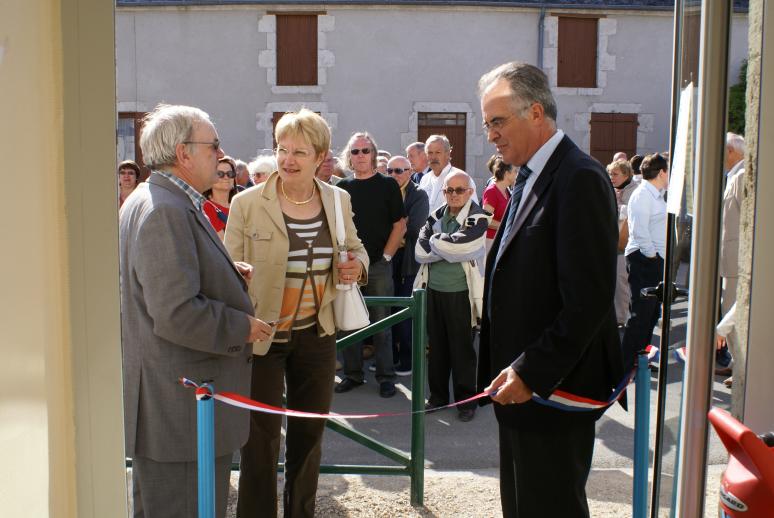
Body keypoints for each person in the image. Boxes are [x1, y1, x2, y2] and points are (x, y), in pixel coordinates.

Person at [477, 62, 625, 517]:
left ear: (535, 112)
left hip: (550, 391)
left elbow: (588, 300)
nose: (491, 136)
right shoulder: (529, 173)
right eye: (487, 125)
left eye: (497, 122)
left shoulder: (578, 176)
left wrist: (530, 372)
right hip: (521, 389)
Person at [119, 104, 273, 518]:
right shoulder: (164, 210)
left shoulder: (163, 200)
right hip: (182, 414)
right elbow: (176, 312)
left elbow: (168, 280)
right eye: (213, 146)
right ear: (183, 153)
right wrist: (242, 326)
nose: (221, 156)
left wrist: (224, 271)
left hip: (178, 408)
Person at [225, 109, 368, 518]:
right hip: (262, 336)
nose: (287, 159)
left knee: (309, 435)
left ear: (320, 155)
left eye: (299, 152)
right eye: (281, 149)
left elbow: (357, 249)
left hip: (317, 336)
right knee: (260, 440)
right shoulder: (247, 203)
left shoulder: (338, 199)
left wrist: (355, 265)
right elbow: (226, 265)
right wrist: (236, 271)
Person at [335, 132, 407, 398]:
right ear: (349, 156)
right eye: (355, 151)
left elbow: (399, 224)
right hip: (349, 265)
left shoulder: (388, 185)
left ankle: (386, 377)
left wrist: (387, 257)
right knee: (348, 322)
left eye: (365, 151)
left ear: (374, 155)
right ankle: (353, 374)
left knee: (381, 324)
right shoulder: (342, 187)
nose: (361, 156)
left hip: (378, 265)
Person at [416, 171, 488, 422]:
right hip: (433, 290)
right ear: (443, 192)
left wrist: (437, 243)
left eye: (460, 190)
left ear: (470, 192)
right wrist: (444, 246)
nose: (454, 195)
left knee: (462, 350)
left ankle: (466, 401)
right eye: (449, 190)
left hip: (462, 293)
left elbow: (465, 247)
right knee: (436, 349)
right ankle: (437, 397)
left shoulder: (478, 216)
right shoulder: (435, 215)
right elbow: (419, 251)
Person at [619, 153, 669, 370]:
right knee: (641, 313)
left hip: (653, 260)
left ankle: (641, 358)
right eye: (669, 172)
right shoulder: (642, 195)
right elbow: (639, 232)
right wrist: (653, 256)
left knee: (651, 314)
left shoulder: (657, 195)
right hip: (644, 259)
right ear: (662, 173)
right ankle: (626, 362)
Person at [386, 155, 429, 375]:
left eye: (399, 170)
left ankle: (408, 360)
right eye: (390, 170)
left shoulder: (419, 194)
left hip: (408, 260)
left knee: (405, 312)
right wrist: (398, 226)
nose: (394, 175)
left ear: (410, 172)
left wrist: (394, 227)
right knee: (387, 310)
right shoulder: (385, 191)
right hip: (388, 258)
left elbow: (416, 228)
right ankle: (391, 358)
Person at [717, 132, 746, 380]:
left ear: (730, 151)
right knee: (729, 312)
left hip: (737, 261)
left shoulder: (742, 176)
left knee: (732, 314)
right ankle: (736, 363)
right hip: (730, 258)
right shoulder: (735, 175)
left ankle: (740, 367)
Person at [607, 159, 639, 326]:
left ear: (626, 174)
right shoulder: (613, 189)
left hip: (624, 244)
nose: (611, 177)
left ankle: (622, 317)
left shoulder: (634, 190)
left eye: (615, 174)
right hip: (612, 242)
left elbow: (630, 214)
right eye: (610, 173)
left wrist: (619, 204)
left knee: (622, 281)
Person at [418, 134, 478, 211]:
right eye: (430, 153)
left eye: (438, 152)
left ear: (448, 154)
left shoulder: (462, 178)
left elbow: (473, 211)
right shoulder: (424, 179)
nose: (433, 157)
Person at [481, 155, 516, 253]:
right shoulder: (491, 191)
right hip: (490, 242)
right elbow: (485, 220)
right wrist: (507, 225)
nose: (516, 175)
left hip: (501, 239)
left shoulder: (506, 191)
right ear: (506, 173)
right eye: (514, 171)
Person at [202, 156, 240, 240]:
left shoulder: (240, 205)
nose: (226, 177)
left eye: (230, 174)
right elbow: (223, 242)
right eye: (220, 174)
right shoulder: (207, 207)